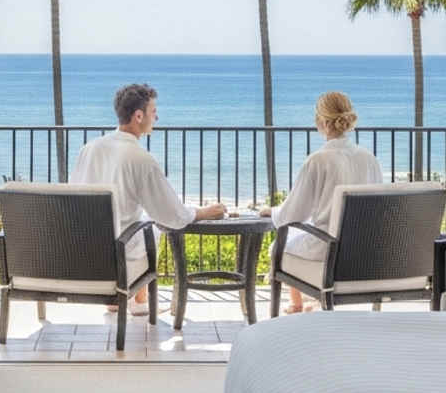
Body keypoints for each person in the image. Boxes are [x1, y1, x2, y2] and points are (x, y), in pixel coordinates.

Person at [71, 83, 226, 315]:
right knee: (152, 226)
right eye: (153, 112)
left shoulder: (89, 148)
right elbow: (171, 215)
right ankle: (140, 301)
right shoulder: (140, 159)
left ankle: (120, 301)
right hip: (118, 254)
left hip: (83, 253)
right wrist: (202, 212)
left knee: (138, 220)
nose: (157, 117)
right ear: (139, 116)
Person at [260, 91, 383, 314]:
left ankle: (298, 304)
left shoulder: (318, 160)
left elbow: (292, 214)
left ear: (322, 122)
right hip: (364, 251)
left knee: (276, 246)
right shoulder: (369, 159)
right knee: (297, 238)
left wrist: (273, 212)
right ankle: (305, 303)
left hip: (328, 249)